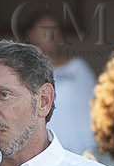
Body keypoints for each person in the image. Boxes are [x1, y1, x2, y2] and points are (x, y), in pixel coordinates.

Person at [18, 8, 97, 155]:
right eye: (44, 29)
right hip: (42, 152)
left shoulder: (78, 67)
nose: (51, 34)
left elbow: (97, 105)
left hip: (84, 150)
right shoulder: (21, 72)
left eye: (55, 29)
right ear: (30, 34)